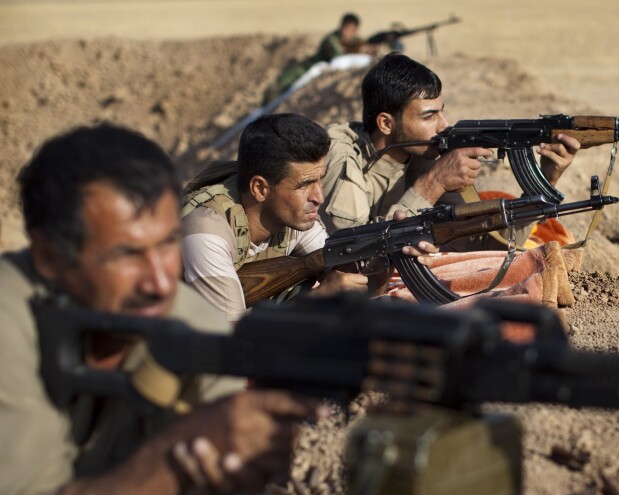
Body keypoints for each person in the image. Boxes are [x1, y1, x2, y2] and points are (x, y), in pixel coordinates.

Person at [0, 124, 320, 494]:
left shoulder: (193, 322)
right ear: (50, 258)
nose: (160, 282)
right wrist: (168, 464)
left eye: (169, 243)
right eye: (126, 254)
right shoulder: (12, 321)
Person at [319, 53, 582, 249]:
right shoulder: (341, 155)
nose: (444, 125)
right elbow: (353, 252)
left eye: (441, 111)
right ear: (386, 123)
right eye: (429, 116)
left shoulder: (421, 155)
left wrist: (543, 184)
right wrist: (433, 183)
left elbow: (485, 248)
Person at [181, 113, 371, 321]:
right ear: (260, 188)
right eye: (305, 185)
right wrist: (318, 299)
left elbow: (339, 277)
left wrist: (374, 277)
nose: (319, 197)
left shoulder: (293, 219)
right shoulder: (207, 230)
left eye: (320, 181)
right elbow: (233, 339)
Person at [264, 13, 365, 103]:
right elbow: (337, 57)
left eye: (350, 29)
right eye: (345, 27)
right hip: (306, 67)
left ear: (355, 31)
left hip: (318, 70)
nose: (345, 32)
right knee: (279, 87)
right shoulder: (331, 40)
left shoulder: (356, 41)